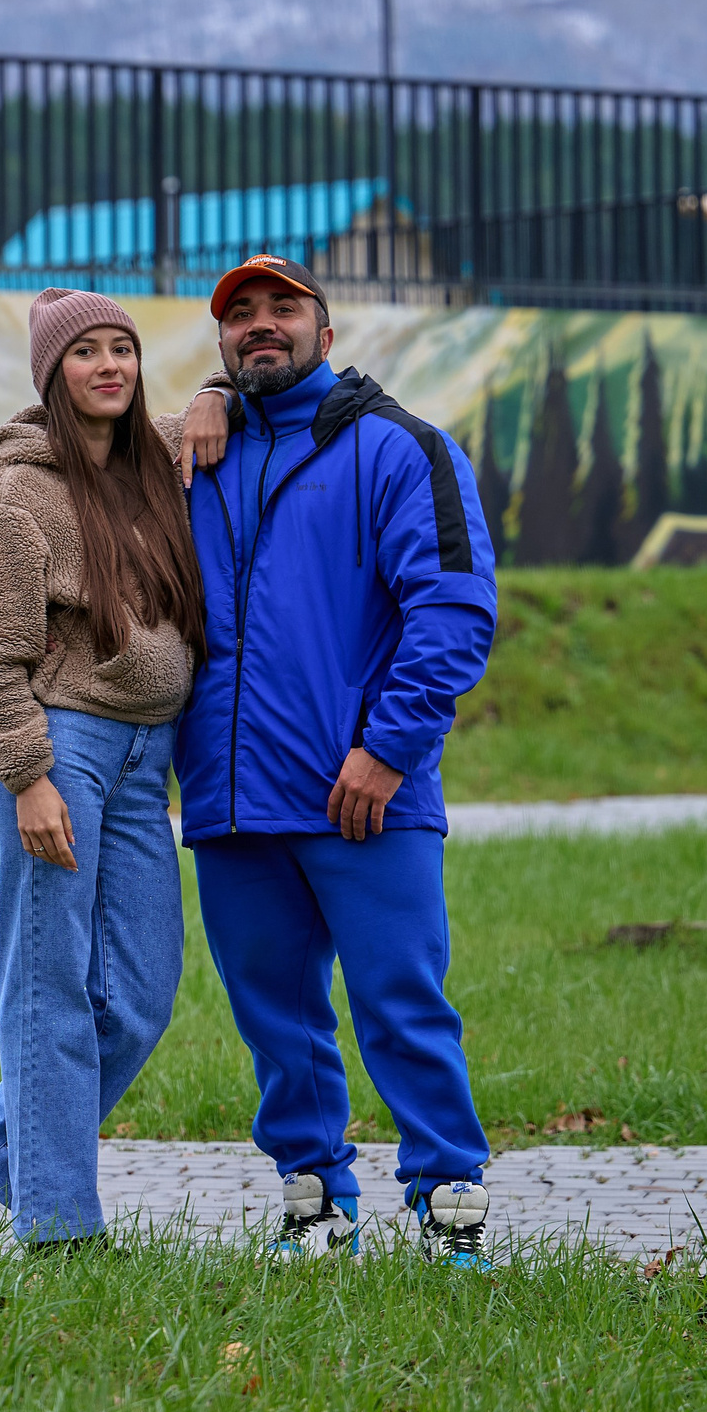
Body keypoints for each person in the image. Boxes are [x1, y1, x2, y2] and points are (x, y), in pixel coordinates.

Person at [176, 255, 500, 1269]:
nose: (260, 326)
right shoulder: (191, 455)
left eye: (284, 308)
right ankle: (314, 1205)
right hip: (232, 800)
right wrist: (203, 401)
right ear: (222, 343)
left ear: (328, 330)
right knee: (276, 1018)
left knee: (401, 1002)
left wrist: (386, 750)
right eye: (240, 316)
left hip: (364, 794)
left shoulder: (403, 448)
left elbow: (453, 612)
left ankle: (450, 1208)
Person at [0, 288, 221, 1250]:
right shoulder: (17, 496)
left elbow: (228, 399)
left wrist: (212, 390)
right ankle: (59, 1230)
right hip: (61, 751)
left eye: (123, 348)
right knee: (50, 992)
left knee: (144, 995)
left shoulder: (152, 467)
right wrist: (27, 774)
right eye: (86, 354)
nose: (109, 366)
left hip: (143, 761)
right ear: (50, 373)